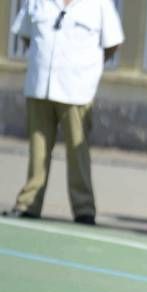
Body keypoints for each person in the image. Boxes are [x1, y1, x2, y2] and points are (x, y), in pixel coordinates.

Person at [2, 0, 124, 225]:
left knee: (77, 151)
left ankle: (84, 209)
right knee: (37, 149)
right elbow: (26, 34)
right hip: (40, 85)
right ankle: (28, 203)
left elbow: (112, 43)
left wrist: (87, 67)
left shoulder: (99, 4)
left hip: (77, 89)